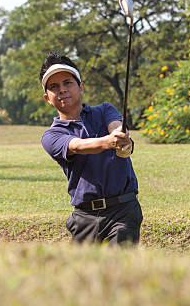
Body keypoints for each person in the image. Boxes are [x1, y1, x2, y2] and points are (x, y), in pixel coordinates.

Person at [40, 52, 142, 245]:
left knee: (117, 269)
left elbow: (115, 126)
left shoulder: (104, 110)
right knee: (81, 273)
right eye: (54, 87)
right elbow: (78, 146)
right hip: (84, 217)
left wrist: (121, 138)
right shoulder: (51, 136)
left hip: (123, 210)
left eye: (67, 83)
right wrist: (109, 142)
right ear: (47, 97)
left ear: (81, 87)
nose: (62, 90)